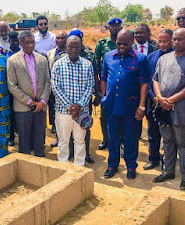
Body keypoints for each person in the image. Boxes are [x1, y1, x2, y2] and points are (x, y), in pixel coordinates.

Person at [152, 28, 185, 190]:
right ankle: (168, 171)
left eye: (180, 39)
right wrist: (160, 97)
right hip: (163, 109)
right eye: (174, 39)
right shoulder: (164, 58)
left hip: (183, 110)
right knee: (167, 141)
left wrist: (171, 100)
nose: (176, 42)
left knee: (184, 144)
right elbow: (155, 79)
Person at [101, 29, 149, 180]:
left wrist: (141, 106)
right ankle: (112, 165)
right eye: (118, 43)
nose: (121, 46)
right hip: (111, 105)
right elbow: (103, 78)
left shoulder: (140, 59)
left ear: (132, 41)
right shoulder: (108, 56)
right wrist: (104, 97)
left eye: (125, 44)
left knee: (130, 138)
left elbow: (143, 84)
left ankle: (130, 166)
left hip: (131, 107)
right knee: (113, 137)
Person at [51, 35, 94, 166]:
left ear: (81, 47)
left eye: (76, 47)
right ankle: (63, 165)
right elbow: (55, 87)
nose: (74, 50)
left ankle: (79, 166)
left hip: (82, 112)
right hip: (63, 111)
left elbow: (89, 86)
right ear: (66, 48)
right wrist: (70, 106)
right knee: (63, 141)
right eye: (70, 47)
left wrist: (79, 106)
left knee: (80, 141)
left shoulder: (87, 65)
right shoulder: (58, 64)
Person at [7, 31, 51, 157]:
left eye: (32, 42)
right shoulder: (12, 60)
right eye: (27, 43)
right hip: (23, 107)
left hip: (40, 107)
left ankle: (40, 165)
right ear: (20, 43)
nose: (31, 45)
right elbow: (12, 85)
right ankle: (25, 169)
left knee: (39, 139)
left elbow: (48, 81)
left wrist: (42, 102)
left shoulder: (42, 59)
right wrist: (30, 102)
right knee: (24, 141)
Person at [144, 28, 174, 170]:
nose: (162, 45)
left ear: (172, 41)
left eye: (166, 41)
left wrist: (166, 99)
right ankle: (153, 158)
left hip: (171, 103)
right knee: (153, 133)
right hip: (154, 102)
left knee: (170, 136)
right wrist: (154, 96)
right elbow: (149, 80)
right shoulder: (151, 57)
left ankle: (168, 162)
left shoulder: (177, 56)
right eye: (160, 41)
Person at [94, 18, 123, 151]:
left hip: (122, 85)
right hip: (106, 85)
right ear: (109, 28)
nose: (115, 28)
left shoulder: (126, 42)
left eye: (118, 26)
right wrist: (98, 87)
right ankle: (106, 139)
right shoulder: (102, 44)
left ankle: (121, 141)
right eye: (112, 26)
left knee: (121, 114)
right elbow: (96, 64)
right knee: (104, 114)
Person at [47, 31, 68, 147]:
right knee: (56, 116)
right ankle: (58, 139)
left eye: (63, 38)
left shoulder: (71, 53)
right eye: (58, 38)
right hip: (53, 91)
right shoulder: (50, 53)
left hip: (67, 92)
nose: (60, 40)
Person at [5, 31, 21, 147]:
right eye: (12, 40)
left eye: (16, 40)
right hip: (9, 90)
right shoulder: (5, 55)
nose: (15, 42)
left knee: (21, 115)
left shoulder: (24, 54)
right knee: (10, 114)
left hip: (22, 90)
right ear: (9, 41)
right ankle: (11, 137)